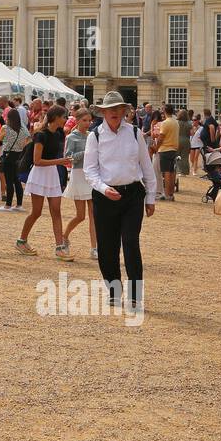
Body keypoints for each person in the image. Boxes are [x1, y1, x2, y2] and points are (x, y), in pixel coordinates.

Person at [84, 92, 157, 309]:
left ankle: (135, 296)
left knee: (131, 243)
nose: (116, 113)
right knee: (107, 247)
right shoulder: (95, 136)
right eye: (111, 109)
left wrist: (151, 197)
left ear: (125, 111)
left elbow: (146, 166)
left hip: (133, 195)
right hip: (105, 196)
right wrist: (104, 189)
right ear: (103, 112)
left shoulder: (134, 133)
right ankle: (114, 291)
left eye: (119, 108)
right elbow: (90, 171)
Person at [16, 105, 72, 260]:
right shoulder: (41, 135)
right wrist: (61, 161)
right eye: (64, 117)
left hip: (52, 173)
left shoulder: (60, 133)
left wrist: (62, 161)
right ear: (55, 117)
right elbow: (37, 161)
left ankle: (59, 248)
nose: (66, 119)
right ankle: (21, 241)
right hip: (40, 174)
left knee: (56, 211)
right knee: (36, 212)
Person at [62, 108, 99, 260]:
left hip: (91, 175)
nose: (88, 123)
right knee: (80, 215)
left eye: (89, 120)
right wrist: (86, 152)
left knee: (93, 216)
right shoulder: (71, 137)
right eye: (84, 120)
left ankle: (94, 248)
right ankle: (64, 236)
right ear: (77, 121)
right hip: (78, 174)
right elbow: (68, 158)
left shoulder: (92, 136)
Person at [0, 106, 30, 213]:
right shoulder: (23, 128)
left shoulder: (5, 128)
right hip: (19, 156)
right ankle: (19, 204)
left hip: (8, 155)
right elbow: (28, 141)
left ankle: (8, 205)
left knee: (9, 181)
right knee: (17, 180)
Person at [153, 104, 180, 201]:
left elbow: (161, 137)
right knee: (172, 172)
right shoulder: (175, 122)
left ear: (165, 111)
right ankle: (171, 194)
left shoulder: (165, 123)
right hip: (173, 149)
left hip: (165, 149)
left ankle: (167, 194)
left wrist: (156, 148)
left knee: (167, 172)